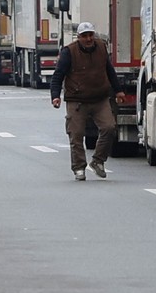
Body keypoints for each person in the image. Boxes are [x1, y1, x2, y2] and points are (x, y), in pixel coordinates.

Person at [50, 22, 122, 181]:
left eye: (91, 35)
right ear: (79, 37)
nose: (88, 39)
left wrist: (118, 90)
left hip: (100, 98)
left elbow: (109, 70)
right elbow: (58, 75)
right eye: (84, 36)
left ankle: (98, 161)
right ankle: (79, 167)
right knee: (76, 134)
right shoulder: (69, 52)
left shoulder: (102, 48)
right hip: (77, 100)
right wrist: (55, 96)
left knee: (109, 128)